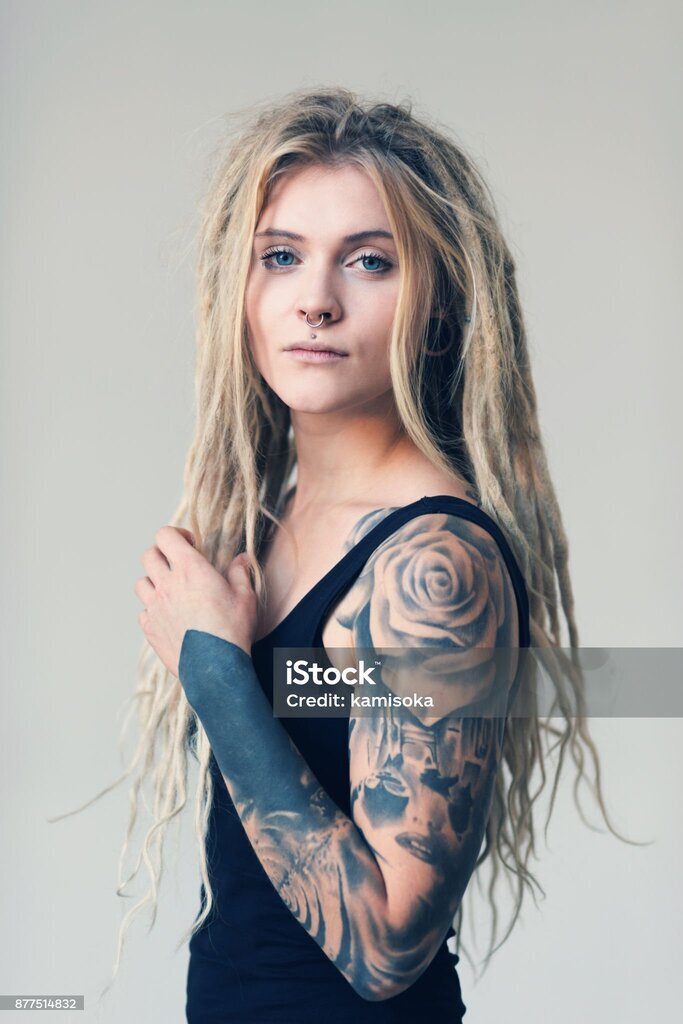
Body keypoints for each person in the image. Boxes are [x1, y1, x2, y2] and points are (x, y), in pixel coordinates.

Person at [108, 87, 627, 1020]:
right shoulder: (274, 516)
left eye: (369, 262)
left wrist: (215, 671)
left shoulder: (435, 563)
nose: (314, 300)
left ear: (439, 308)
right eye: (280, 256)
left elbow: (387, 946)